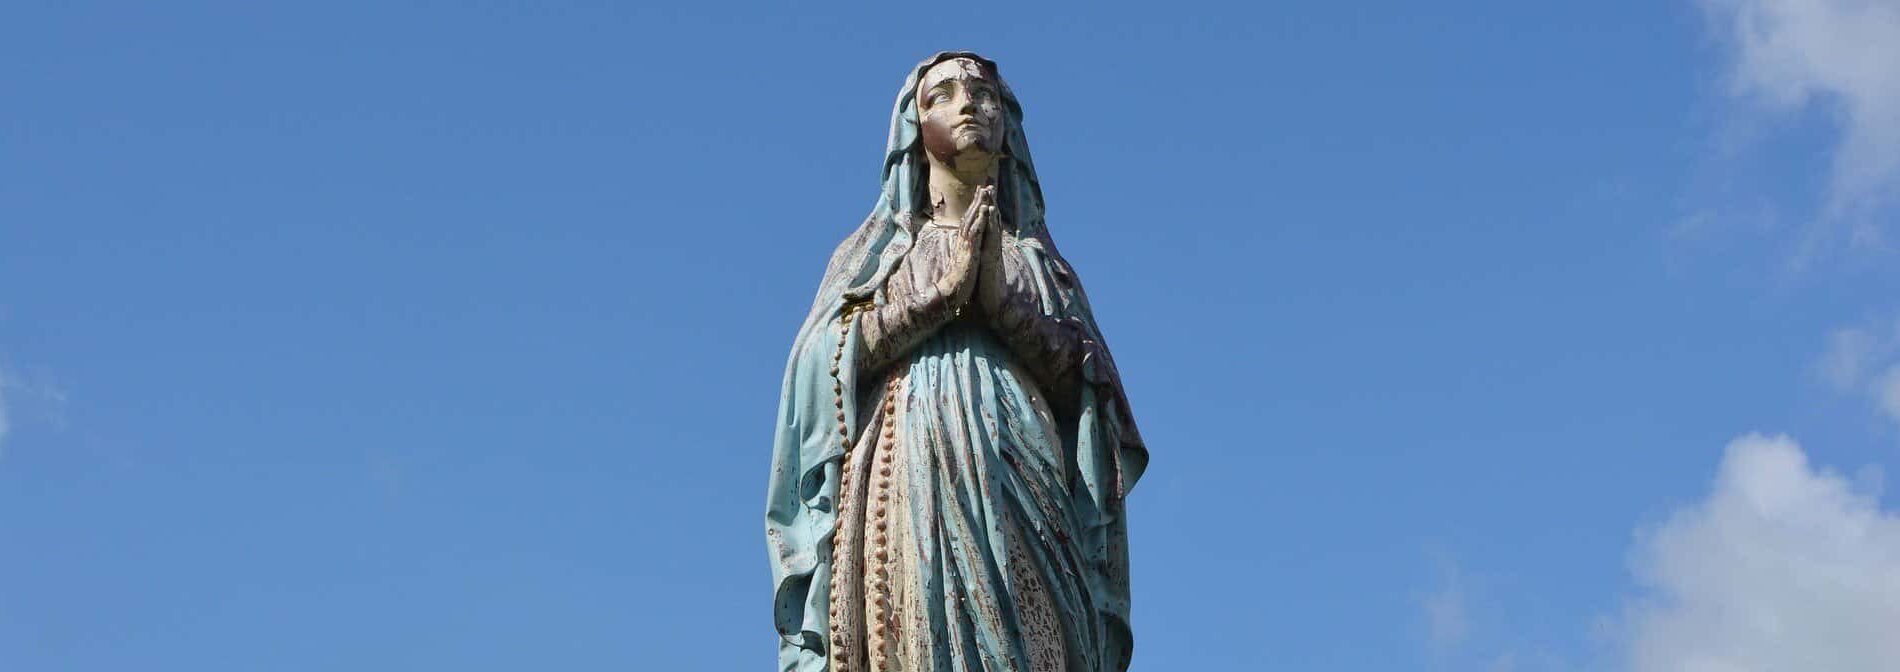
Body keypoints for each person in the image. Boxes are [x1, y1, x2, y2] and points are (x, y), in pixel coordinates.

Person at [767, 52, 1148, 672]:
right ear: (913, 132)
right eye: (942, 94)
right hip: (909, 476)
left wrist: (1006, 310)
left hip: (1028, 474)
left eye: (982, 93)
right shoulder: (877, 255)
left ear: (1009, 129)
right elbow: (818, 366)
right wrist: (935, 302)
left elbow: (1093, 397)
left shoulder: (1039, 265)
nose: (968, 102)